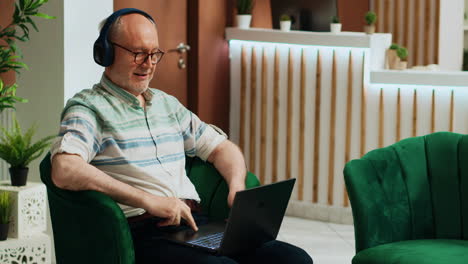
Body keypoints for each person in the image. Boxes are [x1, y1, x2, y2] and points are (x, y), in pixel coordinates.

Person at [50, 8, 313, 264]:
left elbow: (222, 148)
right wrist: (148, 200)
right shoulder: (88, 108)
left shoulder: (168, 105)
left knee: (294, 259)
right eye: (139, 53)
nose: (149, 64)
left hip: (195, 225)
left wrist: (236, 187)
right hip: (142, 234)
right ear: (105, 52)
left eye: (154, 54)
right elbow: (65, 168)